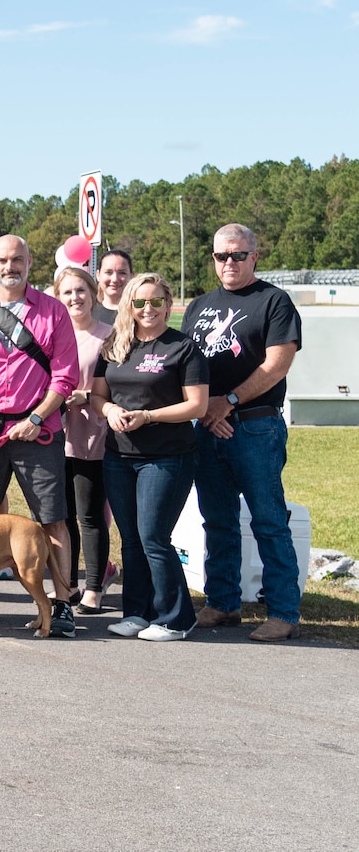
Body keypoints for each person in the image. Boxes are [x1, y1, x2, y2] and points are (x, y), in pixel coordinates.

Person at [0, 235, 80, 638]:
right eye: (3, 260)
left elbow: (66, 376)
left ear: (30, 261)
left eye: (18, 259)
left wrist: (38, 418)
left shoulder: (53, 312)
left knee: (52, 518)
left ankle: (61, 605)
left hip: (38, 428)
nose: (10, 267)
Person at [182, 223, 303, 642]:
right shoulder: (198, 306)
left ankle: (284, 613)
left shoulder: (274, 302)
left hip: (256, 427)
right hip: (207, 428)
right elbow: (186, 367)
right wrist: (207, 411)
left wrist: (227, 402)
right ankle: (223, 603)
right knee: (217, 520)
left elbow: (276, 365)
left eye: (237, 255)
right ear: (213, 259)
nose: (229, 263)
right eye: (221, 256)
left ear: (255, 256)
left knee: (269, 520)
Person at [90, 272, 209, 641]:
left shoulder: (183, 348)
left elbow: (197, 405)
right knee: (131, 539)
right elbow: (97, 396)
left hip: (167, 456)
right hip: (119, 456)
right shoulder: (115, 345)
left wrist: (149, 416)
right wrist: (109, 411)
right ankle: (138, 613)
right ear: (129, 304)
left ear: (168, 304)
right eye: (140, 302)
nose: (148, 309)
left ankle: (176, 618)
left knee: (154, 536)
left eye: (156, 301)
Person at [53, 266, 114, 614]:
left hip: (93, 432)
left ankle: (94, 587)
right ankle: (69, 585)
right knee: (64, 515)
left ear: (92, 294)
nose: (75, 298)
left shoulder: (110, 335)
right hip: (55, 435)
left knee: (90, 516)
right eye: (67, 293)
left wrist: (86, 394)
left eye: (80, 291)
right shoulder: (54, 335)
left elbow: (120, 383)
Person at [93, 250, 134, 327]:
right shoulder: (88, 314)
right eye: (108, 272)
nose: (115, 279)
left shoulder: (141, 314)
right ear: (98, 275)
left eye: (122, 273)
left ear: (132, 276)